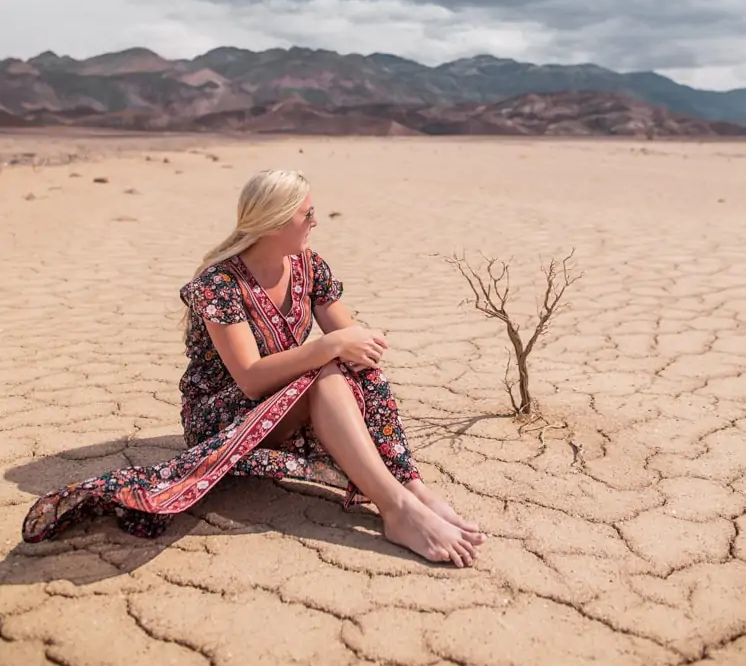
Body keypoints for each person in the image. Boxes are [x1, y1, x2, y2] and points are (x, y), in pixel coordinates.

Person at [21, 169, 485, 567]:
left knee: (351, 370)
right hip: (222, 414)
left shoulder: (309, 266)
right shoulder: (219, 284)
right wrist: (333, 345)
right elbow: (250, 377)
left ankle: (411, 487)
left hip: (288, 398)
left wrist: (347, 343)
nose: (315, 221)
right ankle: (396, 507)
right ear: (274, 221)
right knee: (326, 367)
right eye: (307, 214)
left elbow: (351, 344)